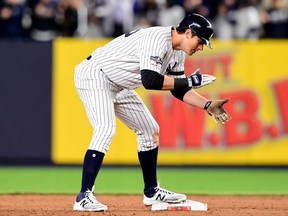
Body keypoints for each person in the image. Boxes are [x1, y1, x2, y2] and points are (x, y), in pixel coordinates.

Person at [73, 13, 231, 212]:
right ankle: (84, 195)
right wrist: (191, 80)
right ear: (189, 33)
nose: (200, 47)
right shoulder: (157, 38)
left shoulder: (178, 52)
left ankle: (151, 192)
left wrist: (207, 105)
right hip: (95, 76)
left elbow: (178, 88)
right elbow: (150, 81)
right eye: (200, 42)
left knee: (150, 130)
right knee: (105, 129)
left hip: (119, 85)